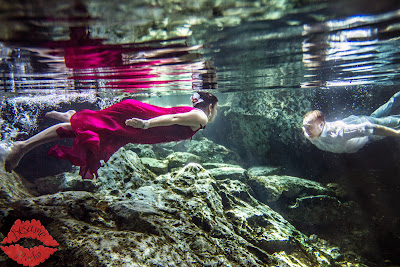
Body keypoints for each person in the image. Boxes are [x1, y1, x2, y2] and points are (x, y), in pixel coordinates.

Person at [5, 91, 218, 179]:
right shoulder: (202, 117)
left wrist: (144, 127)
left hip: (135, 128)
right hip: (136, 122)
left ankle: (73, 117)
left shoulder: (196, 113)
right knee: (83, 130)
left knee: (86, 129)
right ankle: (22, 147)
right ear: (211, 106)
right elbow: (172, 120)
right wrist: (144, 125)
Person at [302, 91, 400, 153]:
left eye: (309, 127)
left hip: (366, 129)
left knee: (394, 122)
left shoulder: (338, 133)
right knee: (375, 117)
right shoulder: (310, 133)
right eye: (304, 127)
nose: (305, 131)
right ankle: (396, 97)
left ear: (321, 125)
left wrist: (396, 133)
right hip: (358, 122)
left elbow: (369, 128)